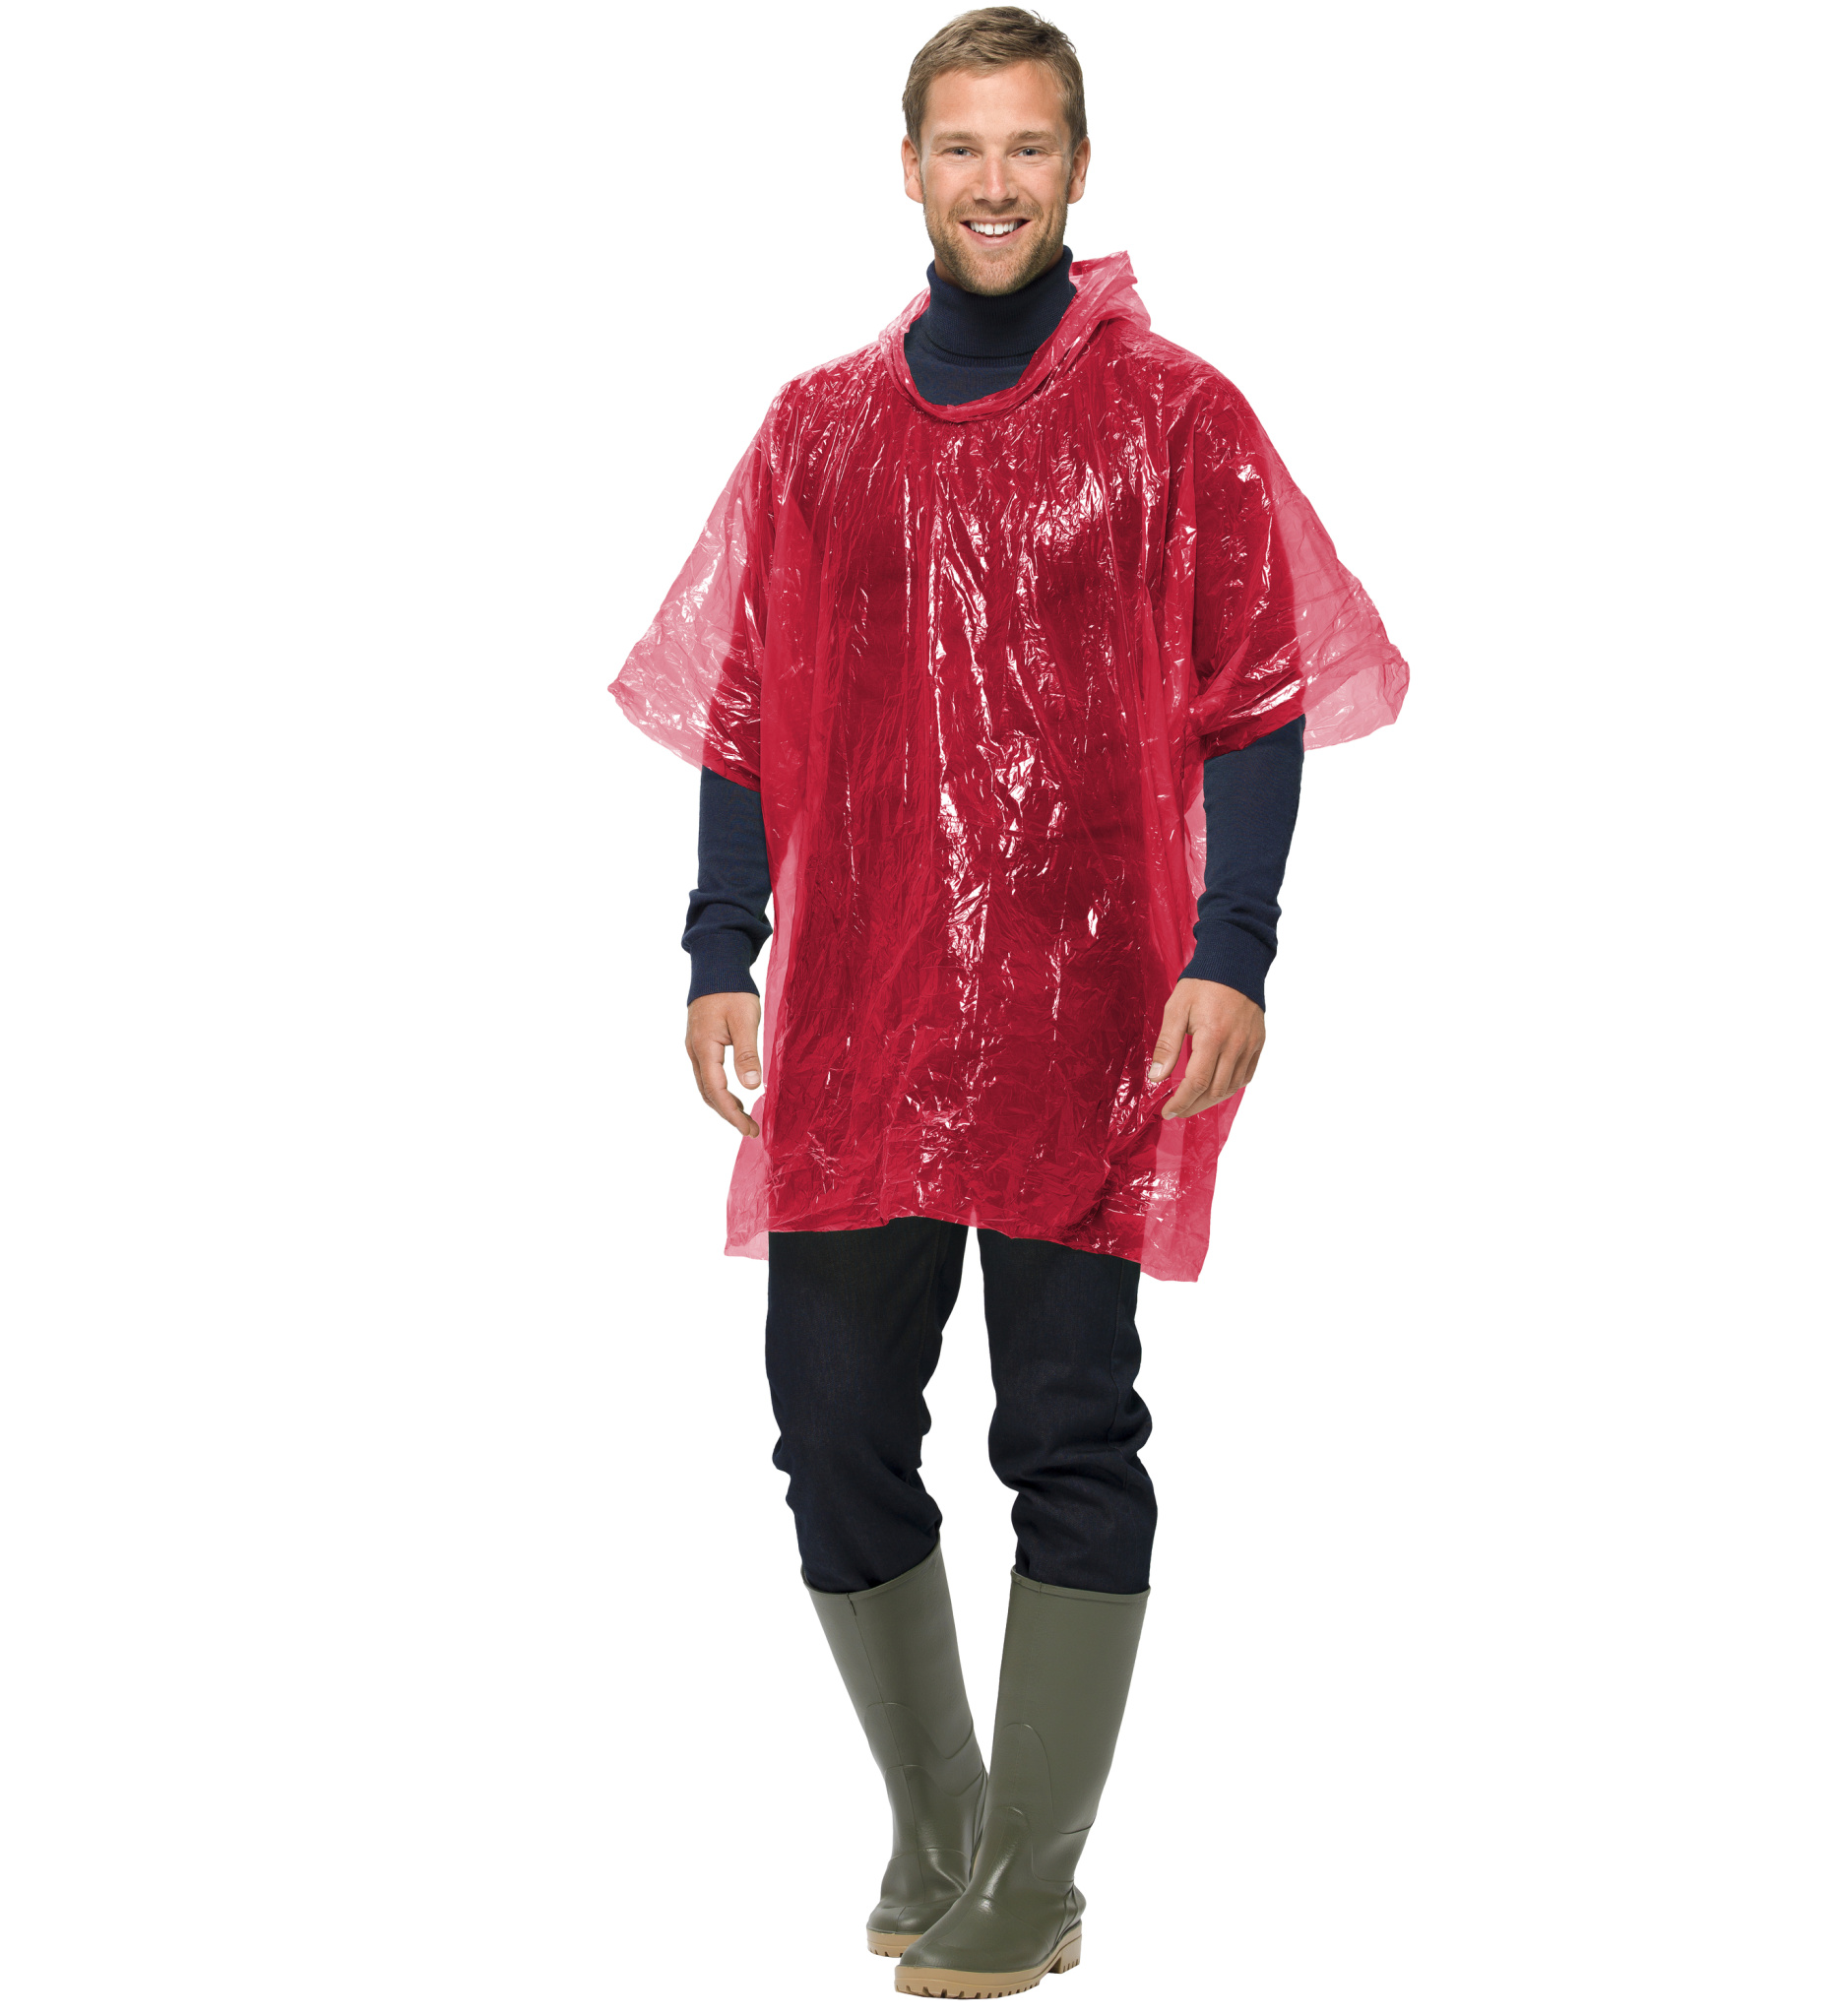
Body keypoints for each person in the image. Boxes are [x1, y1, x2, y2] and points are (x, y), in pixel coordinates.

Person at [610, 8, 1407, 1995]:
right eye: (957, 146)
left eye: (1026, 146)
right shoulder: (817, 429)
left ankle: (1034, 1879)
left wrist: (1233, 947)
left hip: (1088, 1006)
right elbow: (746, 700)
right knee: (831, 1424)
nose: (991, 181)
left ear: (1077, 168)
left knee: (1064, 1420)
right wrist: (720, 945)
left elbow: (1253, 697)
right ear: (906, 167)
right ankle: (943, 1817)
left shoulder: (1176, 419)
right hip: (863, 1012)